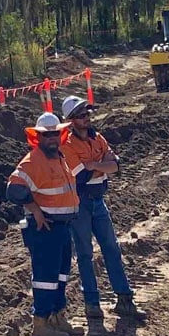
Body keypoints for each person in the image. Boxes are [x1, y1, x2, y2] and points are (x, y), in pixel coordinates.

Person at [6, 110, 81, 336]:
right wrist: (35, 209)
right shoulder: (33, 161)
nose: (52, 138)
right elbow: (14, 189)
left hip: (62, 227)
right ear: (38, 137)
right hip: (45, 228)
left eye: (55, 134)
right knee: (45, 278)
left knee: (60, 276)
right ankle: (40, 323)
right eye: (47, 135)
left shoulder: (59, 157)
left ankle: (57, 317)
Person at [60, 95, 136, 321]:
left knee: (111, 248)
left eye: (87, 114)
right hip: (80, 203)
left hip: (97, 201)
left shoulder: (98, 138)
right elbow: (80, 177)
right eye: (81, 115)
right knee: (84, 254)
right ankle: (92, 304)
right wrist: (102, 165)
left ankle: (124, 299)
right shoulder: (67, 145)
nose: (87, 118)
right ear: (72, 120)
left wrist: (94, 165)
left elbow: (117, 165)